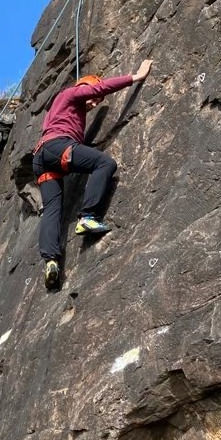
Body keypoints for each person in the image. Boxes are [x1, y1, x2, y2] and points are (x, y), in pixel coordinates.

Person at [32, 59, 154, 289]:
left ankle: (51, 260)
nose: (94, 102)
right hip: (56, 147)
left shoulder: (62, 111)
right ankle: (88, 216)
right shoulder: (70, 94)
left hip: (42, 158)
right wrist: (136, 77)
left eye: (97, 103)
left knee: (52, 209)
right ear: (83, 87)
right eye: (93, 97)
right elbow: (98, 87)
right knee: (105, 163)